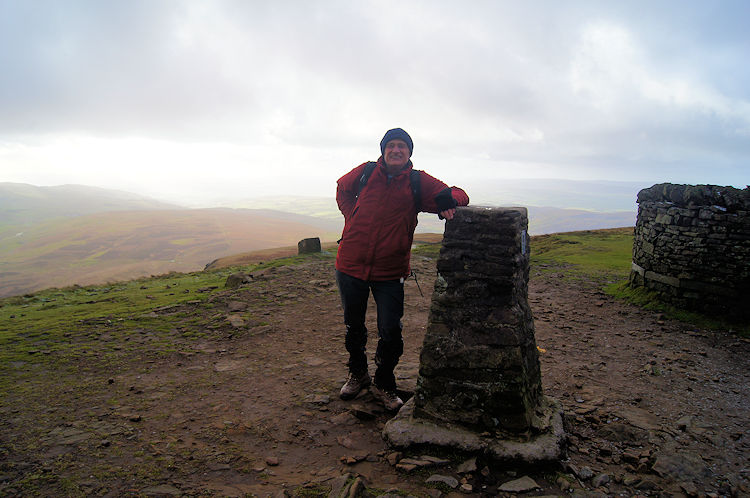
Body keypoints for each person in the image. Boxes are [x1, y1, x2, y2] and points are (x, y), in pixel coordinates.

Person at [335, 128, 469, 411]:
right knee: (353, 326)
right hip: (350, 264)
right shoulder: (366, 172)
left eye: (402, 146)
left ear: (409, 152)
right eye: (391, 145)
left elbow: (460, 194)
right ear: (383, 149)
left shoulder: (417, 181)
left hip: (390, 271)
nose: (396, 150)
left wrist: (449, 199)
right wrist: (352, 216)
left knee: (390, 332)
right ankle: (358, 374)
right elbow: (342, 188)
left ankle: (384, 383)